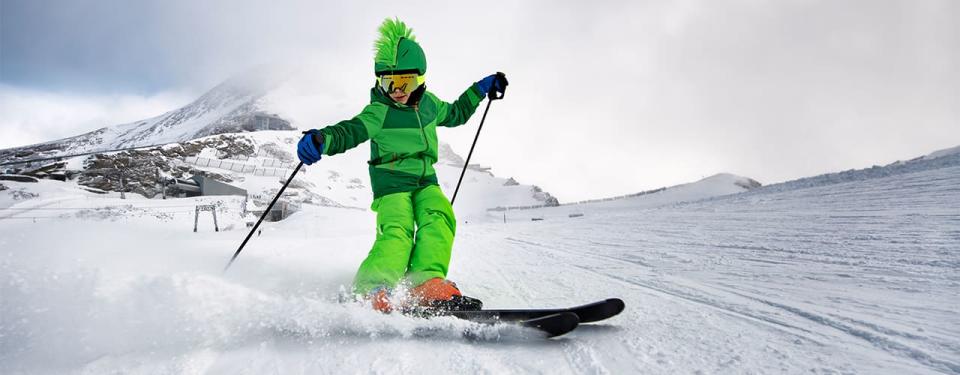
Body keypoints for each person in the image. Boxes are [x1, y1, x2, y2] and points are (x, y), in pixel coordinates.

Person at [296, 18, 507, 313]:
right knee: (398, 229)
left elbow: (457, 113)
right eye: (388, 82)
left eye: (404, 82)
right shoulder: (379, 111)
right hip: (391, 180)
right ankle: (370, 289)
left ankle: (425, 283)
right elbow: (352, 130)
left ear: (419, 79)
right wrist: (322, 139)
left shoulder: (431, 105)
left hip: (425, 179)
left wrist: (481, 88)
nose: (396, 90)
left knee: (440, 217)